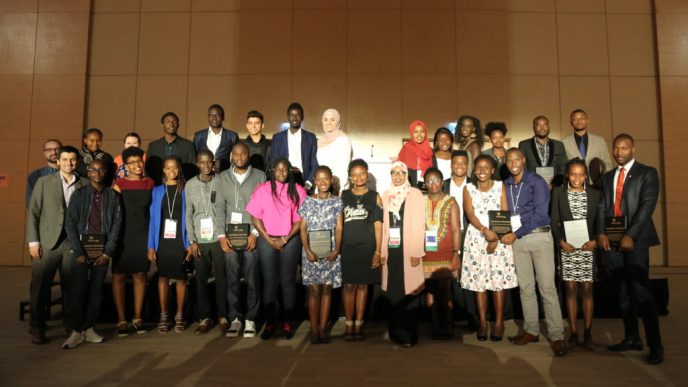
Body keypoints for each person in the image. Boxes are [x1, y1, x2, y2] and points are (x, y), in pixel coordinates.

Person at [597, 134, 663, 364]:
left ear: (633, 149)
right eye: (616, 148)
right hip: (613, 242)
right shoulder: (606, 177)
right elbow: (603, 205)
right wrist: (601, 233)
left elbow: (647, 206)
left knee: (641, 293)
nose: (619, 152)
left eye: (624, 148)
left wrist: (630, 234)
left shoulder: (647, 173)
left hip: (635, 241)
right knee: (623, 294)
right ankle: (631, 337)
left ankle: (656, 346)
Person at [500, 148, 567, 356]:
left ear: (523, 160)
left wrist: (516, 233)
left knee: (546, 288)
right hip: (518, 240)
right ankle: (531, 330)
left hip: (539, 237)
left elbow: (540, 215)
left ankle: (557, 336)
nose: (513, 163)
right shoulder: (506, 185)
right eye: (509, 160)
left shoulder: (536, 181)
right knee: (526, 288)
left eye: (516, 159)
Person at [26, 145, 88, 344]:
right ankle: (37, 326)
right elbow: (33, 212)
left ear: (77, 161)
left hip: (73, 243)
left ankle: (71, 326)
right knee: (40, 287)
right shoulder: (44, 182)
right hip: (46, 243)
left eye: (72, 160)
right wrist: (33, 241)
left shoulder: (84, 184)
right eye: (65, 160)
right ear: (58, 161)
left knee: (71, 287)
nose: (69, 163)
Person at [63, 159, 122, 349]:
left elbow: (116, 226)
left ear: (106, 172)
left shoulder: (113, 196)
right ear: (88, 172)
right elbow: (70, 224)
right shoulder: (78, 195)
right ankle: (76, 331)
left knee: (96, 291)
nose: (97, 172)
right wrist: (78, 251)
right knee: (78, 291)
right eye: (93, 169)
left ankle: (89, 328)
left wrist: (108, 252)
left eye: (101, 169)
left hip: (102, 251)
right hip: (81, 250)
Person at [247, 158, 306, 340]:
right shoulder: (263, 189)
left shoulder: (298, 190)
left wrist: (284, 239)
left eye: (285, 169)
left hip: (290, 239)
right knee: (270, 281)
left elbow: (301, 220)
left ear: (290, 171)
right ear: (272, 171)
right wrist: (268, 239)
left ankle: (287, 323)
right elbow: (255, 217)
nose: (281, 172)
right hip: (267, 239)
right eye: (278, 169)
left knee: (287, 280)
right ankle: (270, 323)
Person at [460, 155, 517, 342]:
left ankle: (499, 322)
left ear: (493, 170)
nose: (483, 170)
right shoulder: (468, 188)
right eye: (479, 167)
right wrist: (484, 231)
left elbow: (504, 212)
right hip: (476, 238)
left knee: (497, 282)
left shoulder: (501, 186)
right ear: (474, 171)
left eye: (487, 167)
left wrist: (495, 238)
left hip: (499, 238)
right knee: (479, 283)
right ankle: (483, 322)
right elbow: (470, 213)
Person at [215, 143, 267, 338]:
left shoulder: (260, 176)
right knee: (232, 278)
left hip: (251, 236)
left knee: (253, 278)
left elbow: (263, 208)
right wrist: (221, 236)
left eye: (243, 153)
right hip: (229, 238)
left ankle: (251, 319)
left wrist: (255, 232)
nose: (239, 156)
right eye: (236, 153)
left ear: (248, 155)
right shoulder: (221, 178)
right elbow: (218, 208)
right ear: (230, 156)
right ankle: (235, 318)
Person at [550, 158, 601, 350]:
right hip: (568, 249)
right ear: (567, 175)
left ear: (586, 175)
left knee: (587, 290)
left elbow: (599, 221)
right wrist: (560, 242)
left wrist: (595, 240)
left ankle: (588, 334)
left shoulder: (595, 194)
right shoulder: (558, 193)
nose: (577, 178)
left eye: (580, 174)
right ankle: (573, 333)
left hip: (587, 249)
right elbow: (554, 220)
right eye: (573, 174)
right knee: (570, 290)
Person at [379, 161, 425, 347]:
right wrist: (382, 250)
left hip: (409, 250)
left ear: (407, 175)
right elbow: (382, 226)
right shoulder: (385, 195)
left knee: (410, 292)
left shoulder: (415, 194)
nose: (397, 177)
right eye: (394, 173)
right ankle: (395, 332)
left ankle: (409, 334)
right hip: (391, 250)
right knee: (394, 292)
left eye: (401, 173)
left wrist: (416, 252)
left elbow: (419, 224)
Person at [112, 147, 154, 337]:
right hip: (122, 235)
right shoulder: (118, 184)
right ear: (125, 165)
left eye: (140, 161)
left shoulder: (150, 183)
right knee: (119, 276)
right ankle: (121, 319)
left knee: (140, 274)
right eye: (133, 162)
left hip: (143, 233)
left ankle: (137, 318)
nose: (137, 165)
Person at [298, 166, 344, 344]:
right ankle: (314, 328)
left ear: (331, 180)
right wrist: (307, 250)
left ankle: (324, 328)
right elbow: (302, 228)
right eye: (319, 179)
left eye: (326, 178)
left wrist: (337, 250)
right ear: (315, 181)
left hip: (331, 252)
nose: (323, 182)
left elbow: (339, 228)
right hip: (311, 254)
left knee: (327, 289)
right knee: (314, 290)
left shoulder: (337, 202)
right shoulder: (307, 201)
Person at [185, 150, 228, 335]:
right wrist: (192, 240)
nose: (206, 165)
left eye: (209, 162)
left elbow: (226, 208)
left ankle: (223, 316)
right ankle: (204, 318)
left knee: (221, 279)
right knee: (201, 280)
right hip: (200, 240)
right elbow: (188, 213)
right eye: (202, 162)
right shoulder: (190, 185)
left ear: (214, 163)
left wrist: (225, 236)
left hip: (218, 237)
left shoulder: (222, 181)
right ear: (197, 164)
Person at [340, 159, 383, 341]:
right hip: (347, 248)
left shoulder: (375, 196)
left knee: (363, 286)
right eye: (354, 174)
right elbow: (339, 225)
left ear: (367, 174)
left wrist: (378, 251)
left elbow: (378, 226)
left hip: (367, 248)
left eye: (362, 173)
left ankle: (359, 324)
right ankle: (349, 324)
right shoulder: (343, 195)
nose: (358, 177)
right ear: (350, 176)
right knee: (349, 286)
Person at [148, 156, 191, 334]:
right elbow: (152, 220)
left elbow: (190, 217)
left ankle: (179, 315)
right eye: (168, 167)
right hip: (163, 241)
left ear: (179, 169)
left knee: (181, 279)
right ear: (163, 170)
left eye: (175, 167)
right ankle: (164, 316)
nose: (171, 170)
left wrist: (190, 243)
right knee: (163, 278)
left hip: (181, 240)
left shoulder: (186, 190)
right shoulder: (157, 191)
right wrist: (151, 245)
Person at [422, 167, 461, 340]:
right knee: (430, 291)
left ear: (442, 182)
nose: (433, 184)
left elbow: (455, 229)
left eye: (436, 180)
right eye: (429, 181)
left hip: (446, 254)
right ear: (425, 184)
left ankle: (449, 326)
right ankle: (435, 326)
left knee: (445, 292)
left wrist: (456, 253)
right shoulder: (420, 202)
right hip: (426, 255)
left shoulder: (451, 201)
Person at [443, 150, 479, 330]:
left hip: (472, 235)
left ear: (468, 165)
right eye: (456, 163)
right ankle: (454, 315)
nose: (459, 166)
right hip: (448, 237)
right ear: (451, 165)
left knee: (471, 276)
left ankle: (473, 316)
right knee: (452, 276)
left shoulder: (475, 184)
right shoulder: (442, 185)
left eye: (463, 163)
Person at [269, 102, 319, 188]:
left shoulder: (311, 138)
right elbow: (273, 162)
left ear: (302, 117)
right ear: (288, 117)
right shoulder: (277, 138)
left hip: (304, 181)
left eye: (298, 115)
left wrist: (308, 184)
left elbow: (314, 163)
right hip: (284, 180)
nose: (295, 118)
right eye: (292, 115)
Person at [146, 112, 197, 185]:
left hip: (182, 187)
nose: (171, 124)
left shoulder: (188, 145)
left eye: (174, 122)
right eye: (168, 122)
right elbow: (148, 170)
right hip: (159, 186)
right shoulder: (153, 146)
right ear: (162, 125)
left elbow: (193, 170)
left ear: (178, 125)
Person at [562, 109, 613, 181]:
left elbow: (607, 164)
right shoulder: (564, 143)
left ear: (587, 120)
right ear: (571, 122)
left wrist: (604, 182)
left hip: (597, 185)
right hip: (574, 185)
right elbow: (563, 167)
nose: (578, 121)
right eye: (575, 119)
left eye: (581, 118)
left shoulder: (599, 141)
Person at [518, 115, 567, 187]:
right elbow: (522, 168)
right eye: (538, 125)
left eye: (545, 125)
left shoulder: (558, 145)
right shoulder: (524, 145)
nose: (542, 128)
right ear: (534, 128)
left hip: (554, 188)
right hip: (532, 188)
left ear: (549, 127)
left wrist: (554, 184)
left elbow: (563, 167)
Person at [192, 104, 238, 173]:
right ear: (208, 117)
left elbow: (236, 158)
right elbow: (195, 157)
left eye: (217, 115)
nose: (214, 118)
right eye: (211, 115)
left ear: (223, 117)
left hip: (224, 174)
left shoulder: (232, 136)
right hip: (203, 175)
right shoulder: (198, 136)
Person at [316, 108, 352, 194]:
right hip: (321, 185)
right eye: (325, 119)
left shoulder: (343, 139)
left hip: (337, 186)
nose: (329, 123)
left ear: (338, 122)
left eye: (332, 120)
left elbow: (344, 166)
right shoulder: (319, 141)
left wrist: (340, 189)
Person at [398, 120, 433, 189]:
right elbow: (400, 171)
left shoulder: (430, 151)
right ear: (411, 133)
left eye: (422, 132)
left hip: (428, 189)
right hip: (410, 189)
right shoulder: (406, 149)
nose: (419, 135)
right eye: (416, 132)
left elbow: (434, 171)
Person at [26, 139, 62, 207]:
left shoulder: (73, 174)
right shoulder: (35, 176)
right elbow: (31, 204)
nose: (54, 152)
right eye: (49, 150)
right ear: (44, 154)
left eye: (57, 149)